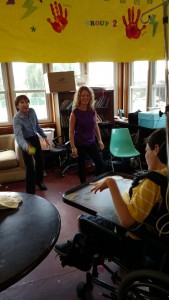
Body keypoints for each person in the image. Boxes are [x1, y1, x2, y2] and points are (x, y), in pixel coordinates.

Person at [54, 128, 168, 269]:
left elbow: (127, 221)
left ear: (156, 149)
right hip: (145, 230)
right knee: (99, 218)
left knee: (82, 220)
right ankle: (86, 248)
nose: (145, 155)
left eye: (146, 150)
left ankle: (83, 256)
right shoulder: (165, 175)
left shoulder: (152, 183)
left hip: (128, 236)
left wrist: (110, 183)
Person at [13, 95, 50, 194]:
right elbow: (18, 136)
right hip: (26, 142)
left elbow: (37, 126)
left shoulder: (32, 111)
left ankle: (39, 181)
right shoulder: (16, 118)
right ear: (17, 106)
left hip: (34, 139)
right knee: (30, 167)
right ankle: (30, 192)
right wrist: (26, 146)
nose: (25, 104)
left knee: (40, 162)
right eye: (22, 102)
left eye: (27, 102)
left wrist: (44, 136)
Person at [69, 85, 105, 183]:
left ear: (90, 97)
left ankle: (95, 182)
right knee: (81, 166)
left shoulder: (92, 111)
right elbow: (71, 131)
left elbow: (95, 126)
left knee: (100, 163)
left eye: (87, 95)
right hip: (79, 143)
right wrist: (73, 147)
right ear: (79, 97)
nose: (85, 97)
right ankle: (83, 186)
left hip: (91, 141)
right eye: (83, 95)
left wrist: (100, 140)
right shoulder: (74, 113)